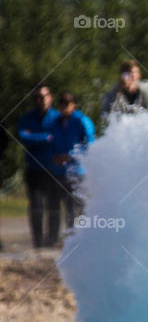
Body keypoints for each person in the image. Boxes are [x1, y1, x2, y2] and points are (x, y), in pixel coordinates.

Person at [17, 83, 62, 247]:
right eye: (36, 97)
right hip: (34, 169)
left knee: (54, 206)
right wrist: (46, 138)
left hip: (53, 169)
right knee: (36, 206)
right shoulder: (26, 118)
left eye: (43, 96)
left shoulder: (58, 118)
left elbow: (59, 139)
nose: (40, 100)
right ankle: (37, 241)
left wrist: (36, 137)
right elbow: (23, 137)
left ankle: (52, 241)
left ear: (50, 97)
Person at [52, 91, 95, 230]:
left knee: (81, 205)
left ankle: (83, 234)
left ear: (74, 105)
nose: (64, 106)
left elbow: (90, 145)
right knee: (68, 206)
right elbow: (52, 142)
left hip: (79, 170)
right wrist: (54, 156)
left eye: (67, 103)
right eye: (61, 103)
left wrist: (70, 155)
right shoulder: (56, 122)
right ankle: (71, 234)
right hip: (62, 170)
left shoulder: (82, 120)